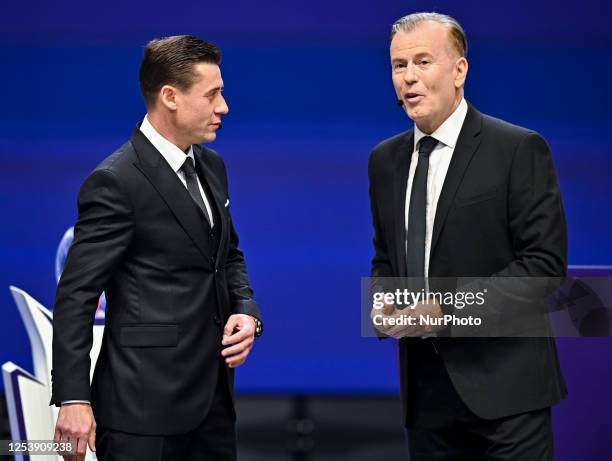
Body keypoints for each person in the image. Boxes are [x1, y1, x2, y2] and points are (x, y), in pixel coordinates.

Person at [51, 35, 262, 461]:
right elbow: (77, 294)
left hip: (214, 406)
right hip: (140, 414)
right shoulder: (115, 180)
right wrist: (74, 397)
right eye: (213, 94)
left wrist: (246, 309)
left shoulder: (211, 165)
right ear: (170, 97)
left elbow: (227, 256)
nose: (224, 107)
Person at [368, 13, 567, 460]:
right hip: (427, 397)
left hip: (508, 393)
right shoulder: (384, 161)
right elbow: (386, 258)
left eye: (423, 61)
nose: (409, 77)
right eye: (399, 65)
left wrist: (447, 311)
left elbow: (543, 269)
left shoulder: (518, 149)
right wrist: (381, 304)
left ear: (459, 70)